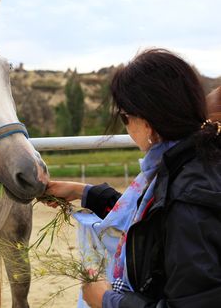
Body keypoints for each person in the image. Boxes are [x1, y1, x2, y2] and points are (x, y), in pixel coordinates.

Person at [45, 49, 221, 308]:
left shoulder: (189, 200)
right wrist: (82, 192)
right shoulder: (194, 162)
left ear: (147, 123)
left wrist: (108, 301)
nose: (126, 127)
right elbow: (154, 223)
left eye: (125, 117)